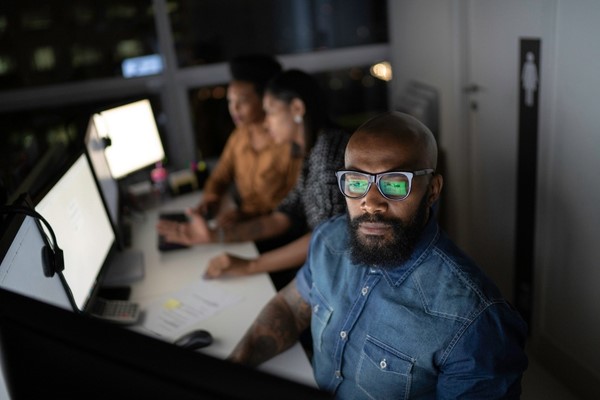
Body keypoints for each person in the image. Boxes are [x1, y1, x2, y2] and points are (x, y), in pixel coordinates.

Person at [226, 111, 529, 399]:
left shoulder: (475, 320)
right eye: (356, 183)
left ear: (433, 190)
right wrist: (228, 370)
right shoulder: (329, 241)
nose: (371, 203)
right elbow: (290, 309)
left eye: (395, 184)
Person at [157, 69, 350, 289]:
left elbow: (326, 241)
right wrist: (214, 235)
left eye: (270, 112)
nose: (266, 124)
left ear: (297, 108)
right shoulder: (309, 151)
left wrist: (250, 265)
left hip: (336, 277)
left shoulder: (329, 153)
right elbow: (284, 217)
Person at [196, 54, 302, 227]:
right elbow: (220, 176)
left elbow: (292, 208)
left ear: (265, 100)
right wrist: (211, 197)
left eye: (242, 101)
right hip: (242, 222)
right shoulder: (240, 135)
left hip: (271, 230)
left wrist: (248, 216)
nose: (234, 109)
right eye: (230, 101)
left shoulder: (287, 142)